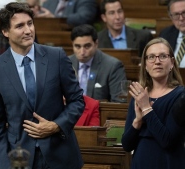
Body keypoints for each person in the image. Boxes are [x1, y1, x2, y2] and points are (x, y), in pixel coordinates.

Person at [0, 2, 84, 169]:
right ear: (5, 32)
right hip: (21, 159)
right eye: (19, 26)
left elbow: (77, 101)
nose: (28, 30)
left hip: (61, 155)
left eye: (30, 23)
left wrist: (55, 125)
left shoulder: (57, 57)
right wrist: (6, 165)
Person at [121, 37, 185, 169]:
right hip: (141, 162)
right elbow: (127, 145)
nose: (157, 62)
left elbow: (167, 140)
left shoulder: (181, 96)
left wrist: (146, 108)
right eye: (151, 57)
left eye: (162, 56)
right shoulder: (139, 95)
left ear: (172, 62)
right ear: (145, 64)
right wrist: (137, 122)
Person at [69, 24, 127, 102]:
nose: (82, 52)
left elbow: (119, 103)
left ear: (96, 44)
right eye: (77, 46)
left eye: (87, 46)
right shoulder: (66, 63)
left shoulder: (112, 66)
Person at [160, 0, 185, 67]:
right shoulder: (165, 34)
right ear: (171, 17)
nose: (181, 18)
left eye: (184, 13)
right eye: (176, 14)